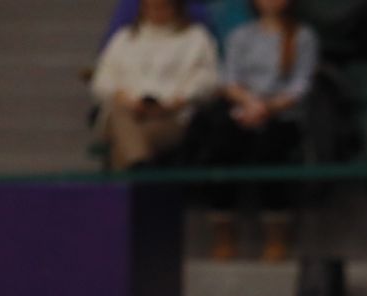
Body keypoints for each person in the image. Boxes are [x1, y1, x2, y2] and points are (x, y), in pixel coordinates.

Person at [182, 0, 317, 261]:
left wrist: (268, 107)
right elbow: (229, 80)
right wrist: (249, 103)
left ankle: (276, 234)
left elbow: (301, 85)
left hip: (283, 116)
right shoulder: (242, 35)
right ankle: (223, 231)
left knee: (271, 150)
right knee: (222, 147)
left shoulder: (303, 36)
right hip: (243, 112)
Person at [91, 0, 222, 171]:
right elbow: (102, 78)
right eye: (151, 8)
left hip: (171, 116)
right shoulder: (124, 38)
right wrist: (128, 100)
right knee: (119, 115)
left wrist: (175, 102)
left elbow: (207, 80)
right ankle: (140, 168)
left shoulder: (196, 38)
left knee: (124, 143)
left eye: (162, 7)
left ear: (175, 8)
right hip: (127, 110)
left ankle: (134, 174)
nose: (156, 12)